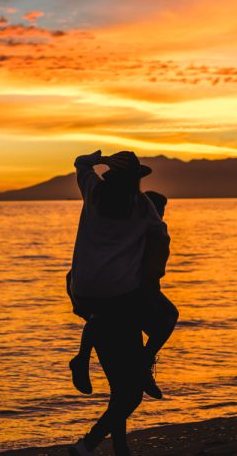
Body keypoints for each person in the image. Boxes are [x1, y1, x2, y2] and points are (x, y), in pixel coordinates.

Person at [66, 150, 171, 456]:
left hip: (84, 290)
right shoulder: (140, 206)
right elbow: (160, 234)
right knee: (166, 318)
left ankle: (120, 447)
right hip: (119, 296)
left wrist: (96, 158)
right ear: (134, 181)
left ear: (109, 176)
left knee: (120, 389)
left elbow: (80, 164)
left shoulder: (93, 192)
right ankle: (143, 363)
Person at [67, 189, 179, 399]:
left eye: (162, 210)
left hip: (120, 291)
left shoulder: (136, 229)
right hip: (115, 291)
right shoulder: (135, 231)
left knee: (163, 317)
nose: (161, 215)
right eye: (158, 210)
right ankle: (138, 364)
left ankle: (141, 363)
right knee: (167, 316)